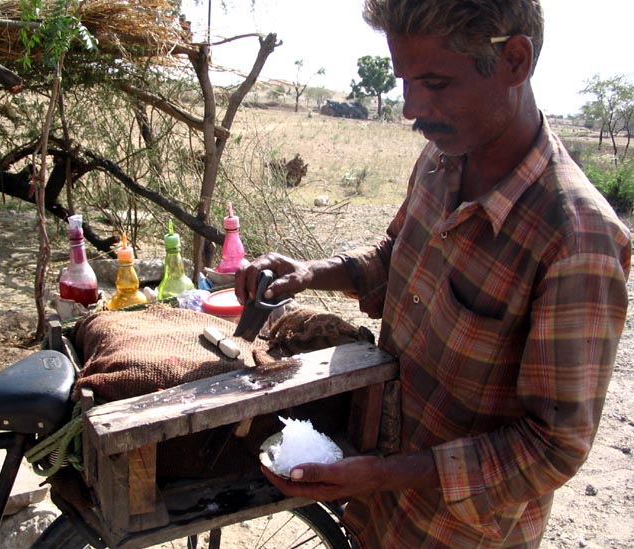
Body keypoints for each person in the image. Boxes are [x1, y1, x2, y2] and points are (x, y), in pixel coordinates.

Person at [234, 1, 632, 547]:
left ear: (514, 61)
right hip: (378, 510)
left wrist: (384, 474)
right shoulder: (441, 159)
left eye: (437, 83)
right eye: (405, 82)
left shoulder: (577, 240)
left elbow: (553, 447)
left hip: (457, 531)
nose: (411, 109)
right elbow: (396, 257)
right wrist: (309, 272)